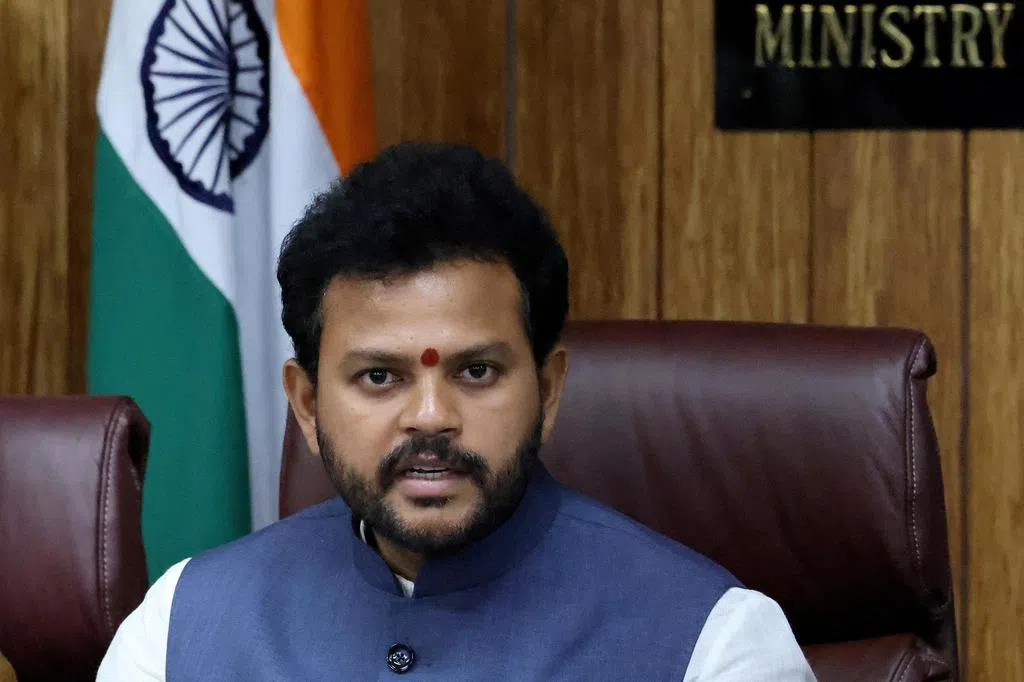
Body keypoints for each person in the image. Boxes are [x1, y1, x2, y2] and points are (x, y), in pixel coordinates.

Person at [97, 142, 817, 681]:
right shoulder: (177, 632)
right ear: (308, 405)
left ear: (549, 390)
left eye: (476, 371)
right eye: (380, 376)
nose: (431, 416)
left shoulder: (713, 646)